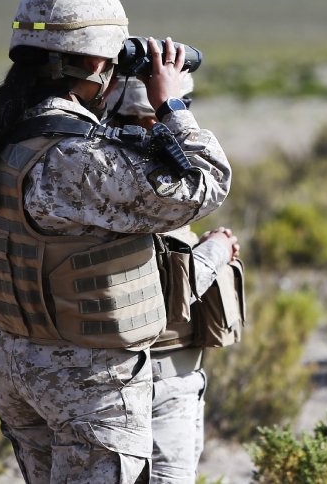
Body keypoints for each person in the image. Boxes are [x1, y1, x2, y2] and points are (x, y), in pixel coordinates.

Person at [0, 0, 231, 483]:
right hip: (85, 379)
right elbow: (202, 186)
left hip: (21, 362)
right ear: (100, 63)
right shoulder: (76, 158)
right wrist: (172, 107)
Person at [106, 75, 241, 483]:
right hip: (160, 377)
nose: (152, 130)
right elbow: (163, 297)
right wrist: (216, 250)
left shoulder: (93, 174)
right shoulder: (139, 188)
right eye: (143, 118)